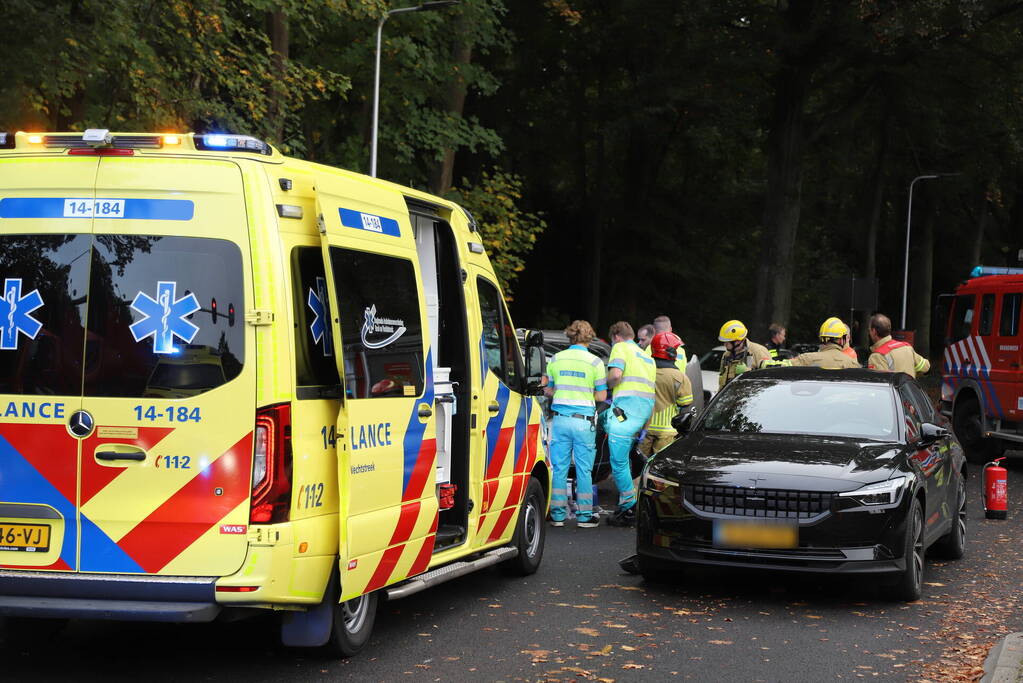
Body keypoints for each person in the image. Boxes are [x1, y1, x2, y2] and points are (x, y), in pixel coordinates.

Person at [543, 320, 607, 528]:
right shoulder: (596, 363)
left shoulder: (556, 358)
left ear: (570, 336)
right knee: (584, 470)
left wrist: (561, 392)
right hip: (584, 422)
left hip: (561, 420)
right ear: (590, 337)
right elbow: (601, 396)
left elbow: (547, 389)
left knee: (559, 468)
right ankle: (585, 516)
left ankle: (558, 515)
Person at [603, 320, 657, 527]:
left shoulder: (620, 348)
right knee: (625, 458)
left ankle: (628, 508)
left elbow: (616, 375)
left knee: (618, 463)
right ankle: (629, 504)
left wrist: (603, 384)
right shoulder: (647, 357)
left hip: (623, 415)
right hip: (640, 416)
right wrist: (645, 427)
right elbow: (651, 395)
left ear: (616, 336)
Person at [638, 332, 693, 457]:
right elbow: (685, 403)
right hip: (666, 431)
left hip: (644, 429)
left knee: (638, 466)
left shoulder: (644, 372)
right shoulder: (680, 377)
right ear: (670, 352)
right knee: (660, 466)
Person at [764, 317, 861, 369]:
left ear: (822, 338)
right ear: (841, 340)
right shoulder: (853, 364)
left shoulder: (807, 359)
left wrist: (761, 362)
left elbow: (777, 367)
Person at [718, 319, 771, 389]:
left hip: (751, 398)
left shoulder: (758, 351)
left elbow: (769, 379)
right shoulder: (726, 355)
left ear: (738, 341)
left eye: (727, 342)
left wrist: (747, 372)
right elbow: (722, 381)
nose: (725, 344)